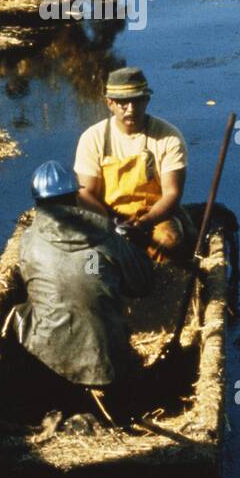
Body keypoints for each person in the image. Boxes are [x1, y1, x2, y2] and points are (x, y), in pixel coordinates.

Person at [12, 160, 153, 389]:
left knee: (20, 311)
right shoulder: (107, 237)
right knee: (96, 274)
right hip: (107, 364)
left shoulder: (28, 240)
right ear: (76, 198)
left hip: (47, 358)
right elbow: (143, 286)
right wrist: (134, 248)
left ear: (37, 202)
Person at [74, 67, 190, 263]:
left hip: (154, 217)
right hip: (107, 218)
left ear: (147, 100)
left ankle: (160, 283)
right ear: (109, 103)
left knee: (169, 242)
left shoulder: (169, 136)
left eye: (137, 101)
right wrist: (111, 225)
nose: (131, 109)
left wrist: (143, 224)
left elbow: (172, 193)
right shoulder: (92, 138)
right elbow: (85, 193)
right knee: (88, 254)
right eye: (122, 103)